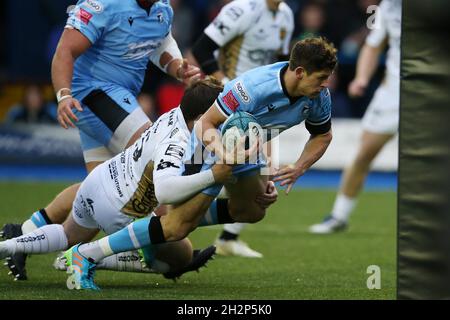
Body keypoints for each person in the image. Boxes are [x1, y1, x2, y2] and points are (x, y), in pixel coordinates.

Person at [0, 78, 278, 290]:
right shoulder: (178, 142)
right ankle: (87, 256)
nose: (221, 120)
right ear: (200, 117)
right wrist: (213, 177)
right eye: (217, 116)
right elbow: (166, 190)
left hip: (98, 181)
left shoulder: (176, 115)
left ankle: (9, 245)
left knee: (65, 234)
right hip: (120, 208)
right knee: (179, 251)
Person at [0, 0, 201, 281]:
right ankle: (155, 243)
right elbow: (65, 50)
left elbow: (159, 42)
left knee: (96, 195)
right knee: (154, 159)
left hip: (108, 99)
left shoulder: (161, 9)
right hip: (94, 94)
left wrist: (178, 67)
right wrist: (63, 95)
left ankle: (22, 235)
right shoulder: (104, 4)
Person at [191, 0, 294, 258]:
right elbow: (203, 48)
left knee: (264, 170)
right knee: (203, 171)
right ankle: (163, 225)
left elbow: (281, 64)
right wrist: (228, 86)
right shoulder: (242, 9)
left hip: (260, 106)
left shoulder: (286, 16)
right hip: (228, 103)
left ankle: (228, 236)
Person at [309, 0, 401, 234]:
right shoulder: (389, 6)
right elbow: (373, 45)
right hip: (393, 95)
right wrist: (361, 78)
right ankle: (339, 216)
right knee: (364, 153)